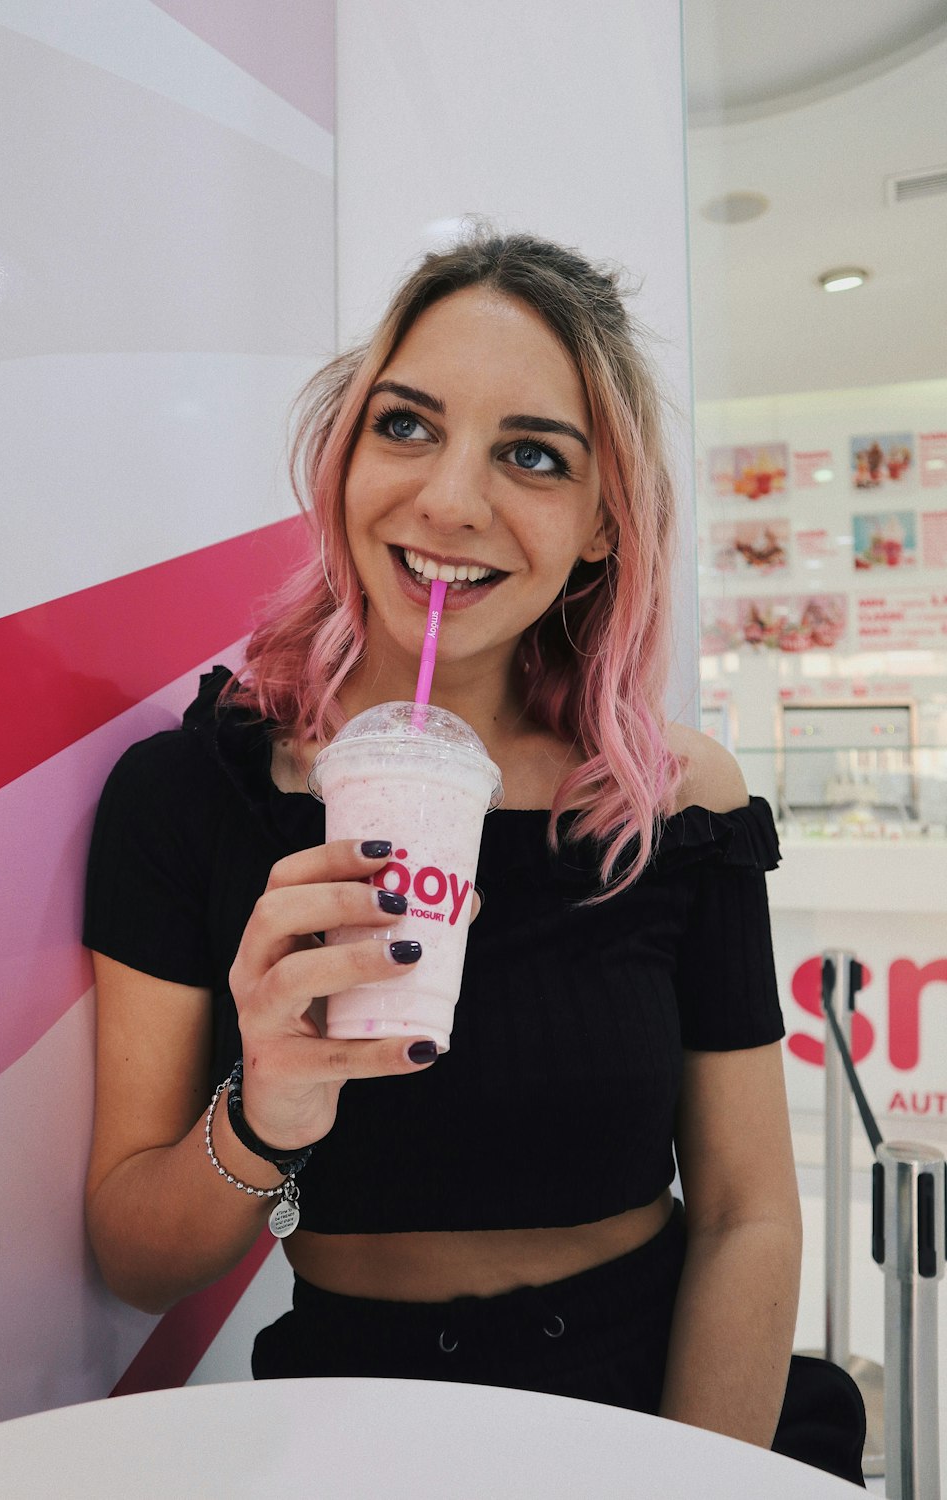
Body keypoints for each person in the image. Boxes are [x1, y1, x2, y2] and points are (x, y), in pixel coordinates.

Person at [83, 231, 865, 1483]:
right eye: (406, 425)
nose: (448, 498)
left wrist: (686, 1479)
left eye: (532, 455)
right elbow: (133, 1257)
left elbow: (745, 1213)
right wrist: (270, 1109)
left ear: (604, 523)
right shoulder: (191, 796)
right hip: (352, 1418)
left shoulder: (672, 799)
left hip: (658, 1401)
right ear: (344, 458)